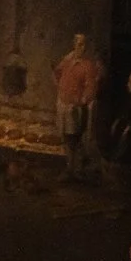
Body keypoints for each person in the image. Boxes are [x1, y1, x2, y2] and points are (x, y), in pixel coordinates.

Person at [54, 33, 103, 182]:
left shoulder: (88, 65)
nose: (82, 47)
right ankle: (71, 168)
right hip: (62, 103)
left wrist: (81, 101)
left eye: (84, 45)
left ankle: (75, 169)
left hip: (74, 107)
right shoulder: (67, 60)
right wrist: (60, 88)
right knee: (65, 137)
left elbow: (91, 87)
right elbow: (57, 73)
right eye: (79, 44)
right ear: (74, 44)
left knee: (73, 138)